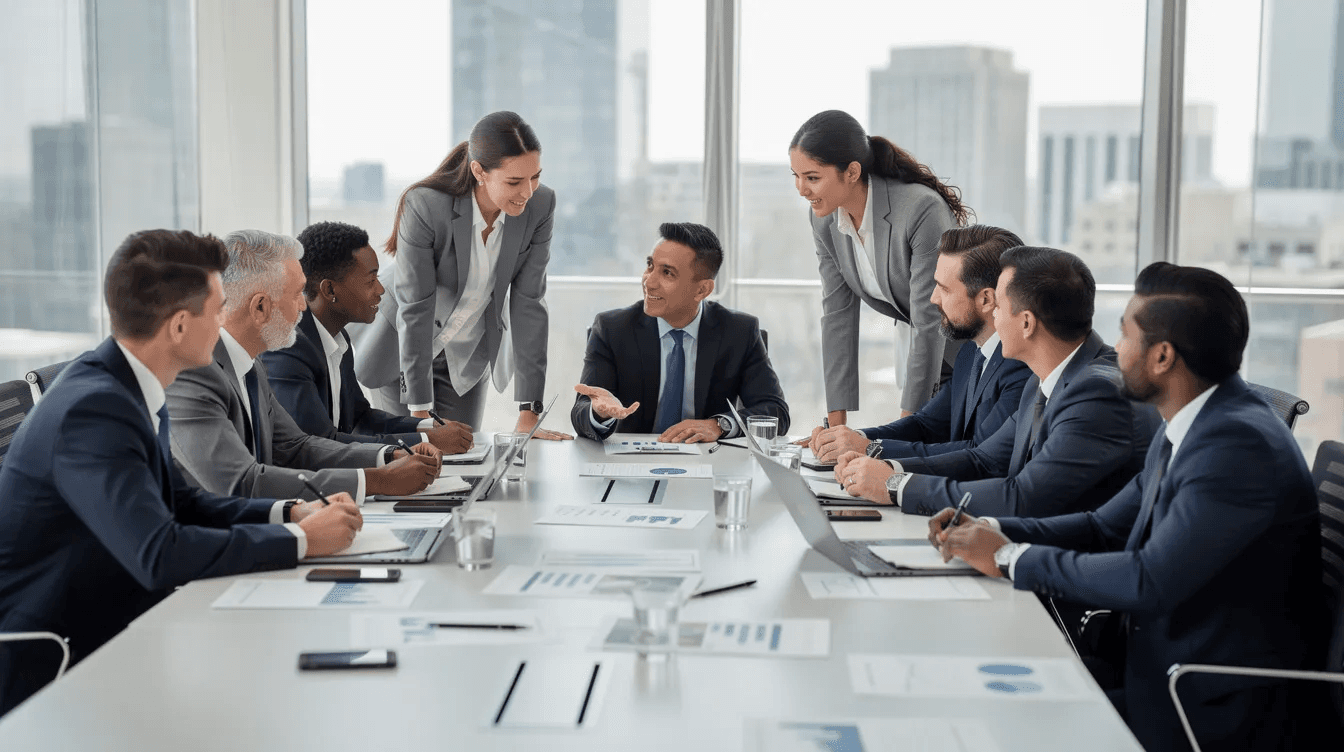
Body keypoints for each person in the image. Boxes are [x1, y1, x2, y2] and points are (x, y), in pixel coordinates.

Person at [931, 262, 1327, 751]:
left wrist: (1010, 558)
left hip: (1206, 705)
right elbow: (1102, 526)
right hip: (1153, 666)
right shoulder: (1190, 422)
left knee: (994, 722)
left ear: (1161, 356)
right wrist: (992, 529)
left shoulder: (1236, 447)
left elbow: (1149, 579)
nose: (1115, 349)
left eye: (1125, 335)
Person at [0, 230, 363, 714]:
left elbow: (182, 502)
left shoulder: (129, 385)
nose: (225, 321)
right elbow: (158, 552)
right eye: (217, 309)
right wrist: (301, 541)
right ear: (178, 326)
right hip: (57, 656)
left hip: (121, 616)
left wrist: (290, 513)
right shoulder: (94, 409)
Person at [833, 247, 1159, 518]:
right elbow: (984, 460)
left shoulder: (1098, 393)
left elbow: (1022, 498)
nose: (993, 318)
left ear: (1027, 323)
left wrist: (895, 486)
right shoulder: (1046, 379)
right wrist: (887, 468)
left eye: (999, 307)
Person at [166, 230, 440, 502]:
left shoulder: (251, 364)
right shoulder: (192, 374)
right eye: (297, 293)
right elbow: (241, 483)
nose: (303, 306)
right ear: (260, 307)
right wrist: (378, 480)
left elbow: (295, 447)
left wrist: (389, 455)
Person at [351, 110, 570, 439]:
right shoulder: (425, 206)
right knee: (409, 454)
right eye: (514, 182)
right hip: (402, 347)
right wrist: (420, 417)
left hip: (466, 355)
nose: (527, 191)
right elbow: (416, 307)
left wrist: (529, 413)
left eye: (535, 177)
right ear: (479, 172)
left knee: (464, 453)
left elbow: (529, 303)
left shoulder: (540, 206)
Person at [790, 109, 968, 436]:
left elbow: (930, 320)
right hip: (922, 354)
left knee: (931, 451)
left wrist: (905, 429)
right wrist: (835, 429)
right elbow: (838, 314)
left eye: (812, 178)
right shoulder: (824, 219)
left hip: (969, 351)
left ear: (852, 172)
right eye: (796, 176)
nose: (802, 189)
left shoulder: (920, 209)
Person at [807, 225, 1031, 462]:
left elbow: (980, 454)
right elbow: (926, 425)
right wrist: (854, 438)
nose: (933, 298)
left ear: (986, 299)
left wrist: (871, 448)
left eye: (944, 289)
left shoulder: (1021, 365)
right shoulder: (970, 353)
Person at [260, 221, 475, 454]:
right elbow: (319, 444)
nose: (381, 290)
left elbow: (360, 417)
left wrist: (428, 427)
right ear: (330, 290)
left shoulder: (337, 338)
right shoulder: (289, 348)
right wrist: (426, 440)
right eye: (370, 281)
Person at [571, 222, 789, 442]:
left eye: (667, 273)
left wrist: (719, 425)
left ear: (702, 290)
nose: (649, 282)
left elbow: (775, 411)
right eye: (650, 266)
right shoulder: (612, 329)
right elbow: (582, 412)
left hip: (708, 458)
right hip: (632, 459)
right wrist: (598, 413)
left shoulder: (739, 332)